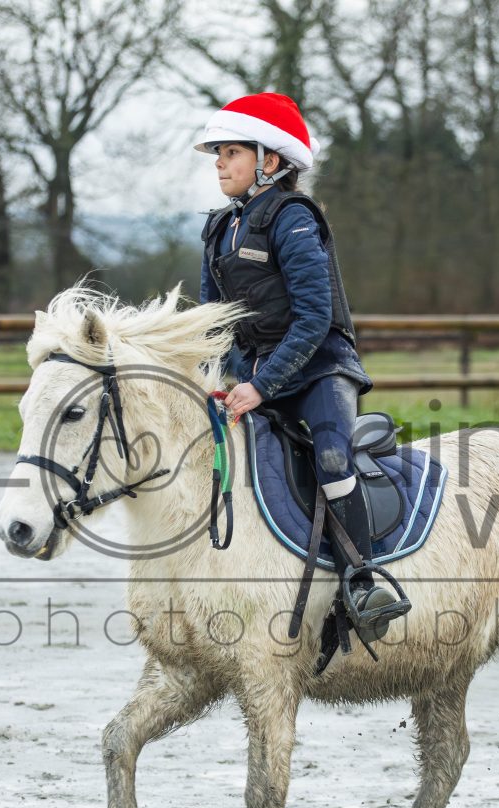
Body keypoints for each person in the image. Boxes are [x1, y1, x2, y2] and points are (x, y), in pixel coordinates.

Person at [195, 92, 410, 641]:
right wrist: (209, 377)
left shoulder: (293, 217)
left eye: (232, 152)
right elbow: (211, 322)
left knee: (333, 457)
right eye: (218, 153)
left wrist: (261, 387)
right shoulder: (219, 228)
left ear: (270, 161)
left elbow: (314, 318)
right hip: (256, 374)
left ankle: (363, 582)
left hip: (320, 368)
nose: (219, 162)